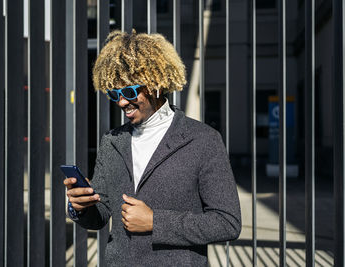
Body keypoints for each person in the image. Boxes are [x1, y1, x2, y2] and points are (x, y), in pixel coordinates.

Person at [64, 30, 241, 266]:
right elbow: (101, 214)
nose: (122, 102)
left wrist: (155, 222)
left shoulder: (203, 140)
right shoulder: (111, 141)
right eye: (114, 94)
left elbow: (227, 222)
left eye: (129, 91)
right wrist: (81, 207)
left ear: (155, 84)